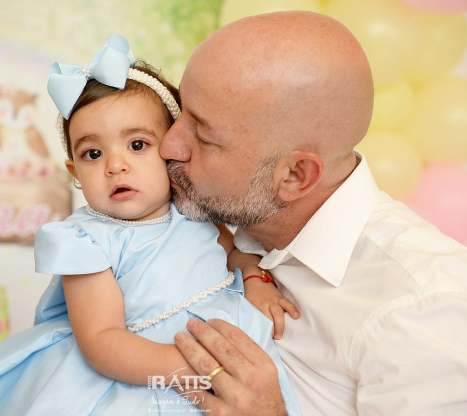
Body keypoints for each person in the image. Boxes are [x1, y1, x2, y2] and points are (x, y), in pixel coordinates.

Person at [0, 34, 301, 416]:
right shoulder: (88, 241)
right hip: (147, 375)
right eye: (93, 154)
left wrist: (255, 280)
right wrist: (191, 369)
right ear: (74, 173)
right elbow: (102, 342)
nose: (115, 165)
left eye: (137, 145)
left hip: (233, 355)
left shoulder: (194, 209)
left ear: (172, 150)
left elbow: (235, 254)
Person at [160, 10, 467, 416]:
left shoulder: (421, 312)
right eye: (179, 110)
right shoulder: (203, 220)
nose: (167, 145)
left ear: (294, 176)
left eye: (202, 135)